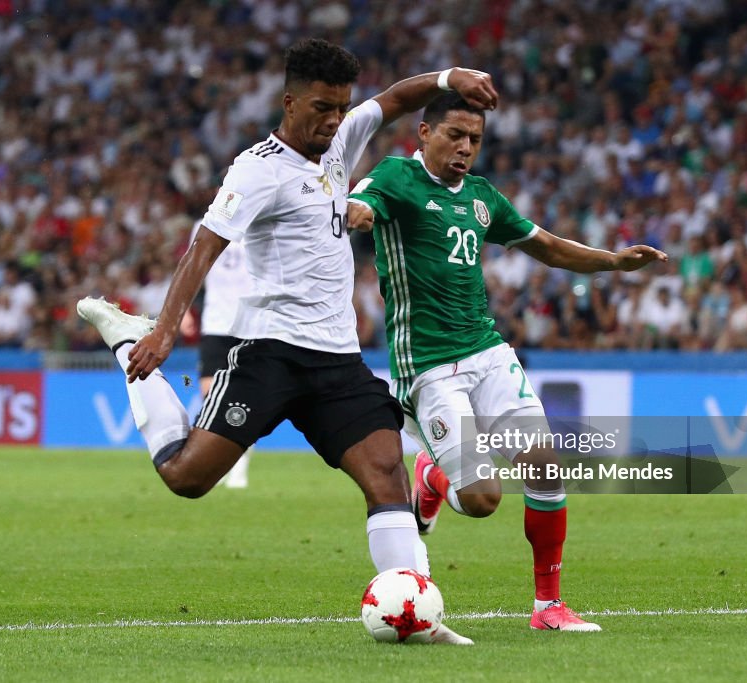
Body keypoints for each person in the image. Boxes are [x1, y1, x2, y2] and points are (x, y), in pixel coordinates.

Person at [77, 38, 499, 645]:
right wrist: (166, 327)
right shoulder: (257, 168)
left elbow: (398, 98)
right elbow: (205, 244)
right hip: (269, 354)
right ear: (290, 101)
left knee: (387, 475)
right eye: (323, 108)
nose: (334, 121)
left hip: (337, 362)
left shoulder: (342, 141)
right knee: (186, 477)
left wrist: (449, 75)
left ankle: (421, 618)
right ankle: (127, 345)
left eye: (341, 108)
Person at [347, 93, 667, 631]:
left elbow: (545, 245)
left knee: (544, 463)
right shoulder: (396, 178)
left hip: (489, 352)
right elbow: (362, 205)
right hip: (428, 365)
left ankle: (548, 606)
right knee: (482, 501)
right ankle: (431, 480)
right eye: (454, 135)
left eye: (474, 139)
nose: (465, 147)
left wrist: (613, 261)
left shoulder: (481, 197)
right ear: (424, 133)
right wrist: (354, 211)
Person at [179, 224, 252, 488]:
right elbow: (194, 266)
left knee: (242, 395)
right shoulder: (206, 222)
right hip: (215, 322)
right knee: (209, 392)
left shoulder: (258, 219)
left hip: (250, 321)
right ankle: (222, 460)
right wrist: (184, 309)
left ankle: (239, 463)